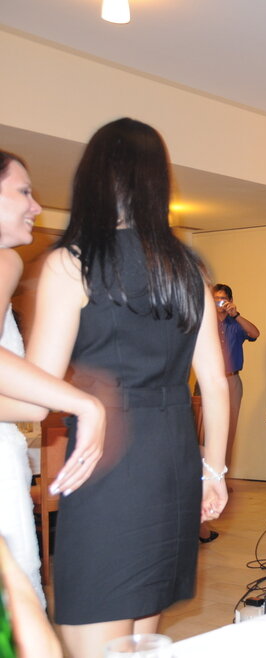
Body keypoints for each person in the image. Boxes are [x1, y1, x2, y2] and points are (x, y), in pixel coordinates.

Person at [27, 118, 230, 658]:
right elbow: (214, 383)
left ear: (93, 177)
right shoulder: (188, 270)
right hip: (172, 460)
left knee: (96, 631)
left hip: (109, 463)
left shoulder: (72, 264)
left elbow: (37, 388)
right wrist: (213, 472)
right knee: (139, 637)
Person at [0, 150, 106, 608]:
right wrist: (85, 403)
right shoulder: (4, 261)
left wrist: (41, 401)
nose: (36, 206)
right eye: (23, 191)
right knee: (17, 610)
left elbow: (30, 405)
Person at [198, 284, 259, 544]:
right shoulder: (205, 323)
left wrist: (236, 314)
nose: (219, 304)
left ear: (230, 300)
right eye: (215, 299)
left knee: (228, 432)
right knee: (203, 434)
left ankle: (220, 478)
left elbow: (255, 333)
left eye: (223, 299)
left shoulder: (235, 324)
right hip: (207, 382)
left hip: (232, 381)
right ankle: (203, 480)